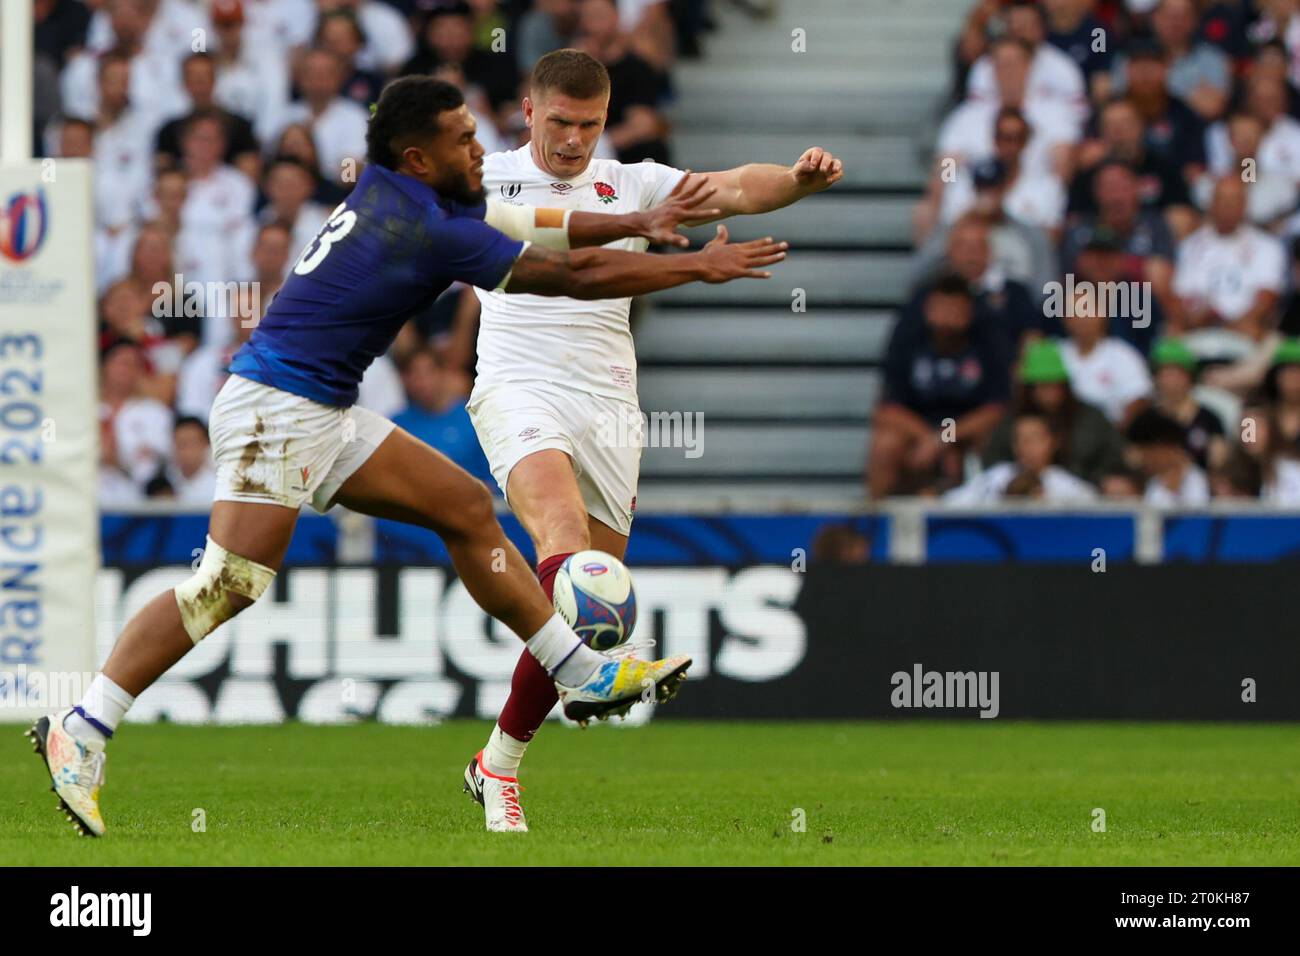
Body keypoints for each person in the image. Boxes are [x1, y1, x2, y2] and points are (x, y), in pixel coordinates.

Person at [29, 76, 789, 839]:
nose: (478, 146)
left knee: (463, 509)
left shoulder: (417, 200)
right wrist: (697, 266)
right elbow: (568, 275)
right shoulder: (429, 226)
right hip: (276, 412)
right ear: (420, 156)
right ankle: (86, 726)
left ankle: (579, 670)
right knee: (227, 585)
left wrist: (636, 219)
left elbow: (537, 220)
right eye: (463, 138)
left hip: (319, 406)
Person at [467, 48, 842, 831]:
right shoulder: (490, 180)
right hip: (518, 387)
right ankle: (597, 678)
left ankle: (497, 763)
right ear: (529, 111)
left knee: (588, 595)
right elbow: (563, 258)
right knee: (565, 543)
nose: (573, 139)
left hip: (610, 409)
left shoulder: (633, 181)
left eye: (590, 125)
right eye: (560, 122)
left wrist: (798, 182)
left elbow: (735, 186)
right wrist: (690, 266)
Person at [870, 275, 1011, 497]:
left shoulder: (988, 339)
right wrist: (931, 439)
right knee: (885, 444)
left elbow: (996, 409)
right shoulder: (908, 337)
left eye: (955, 310)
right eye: (941, 308)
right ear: (928, 309)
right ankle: (875, 521)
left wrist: (945, 439)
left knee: (992, 439)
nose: (947, 317)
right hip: (919, 433)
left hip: (966, 432)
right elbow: (888, 410)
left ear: (969, 312)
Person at [945, 410, 1098, 504]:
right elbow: (950, 503)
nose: (1026, 446)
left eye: (1034, 439)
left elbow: (1098, 510)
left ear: (1053, 443)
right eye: (1020, 439)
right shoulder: (996, 476)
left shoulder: (1068, 486)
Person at [1127, 407, 1211, 506]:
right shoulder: (1153, 483)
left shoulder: (1197, 480)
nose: (1144, 459)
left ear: (1166, 448)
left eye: (1146, 453)